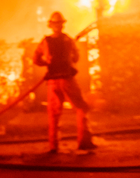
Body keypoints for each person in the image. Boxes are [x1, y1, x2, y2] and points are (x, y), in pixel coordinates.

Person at [33, 11, 97, 153]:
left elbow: (36, 59)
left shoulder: (45, 42)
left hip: (52, 82)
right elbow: (75, 59)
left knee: (53, 114)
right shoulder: (68, 40)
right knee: (81, 108)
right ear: (62, 25)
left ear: (51, 25)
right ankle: (84, 141)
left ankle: (53, 146)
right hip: (67, 80)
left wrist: (48, 63)